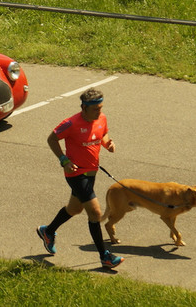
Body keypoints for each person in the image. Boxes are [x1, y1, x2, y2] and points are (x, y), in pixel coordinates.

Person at [36, 88, 124, 268]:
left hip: (91, 173)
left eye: (101, 107)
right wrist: (63, 159)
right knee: (95, 213)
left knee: (74, 208)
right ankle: (105, 256)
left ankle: (48, 231)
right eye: (95, 109)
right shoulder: (70, 123)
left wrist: (108, 143)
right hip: (76, 173)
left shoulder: (102, 118)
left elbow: (103, 133)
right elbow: (52, 139)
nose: (99, 112)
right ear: (84, 107)